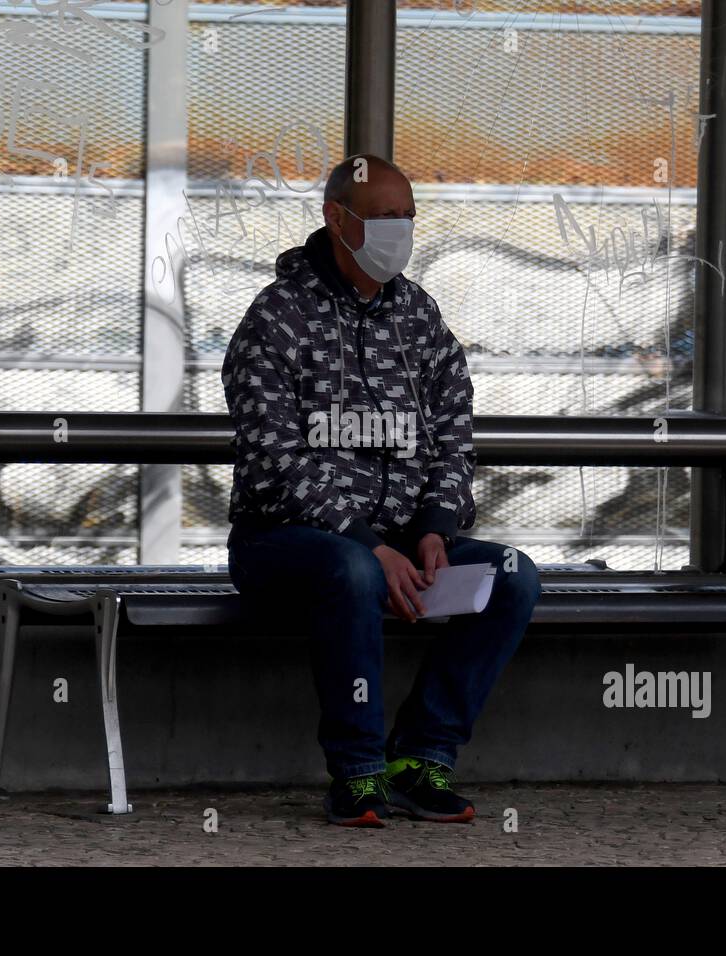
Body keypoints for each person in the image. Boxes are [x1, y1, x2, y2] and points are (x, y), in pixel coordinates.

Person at [221, 153, 541, 827]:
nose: (399, 230)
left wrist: (433, 528)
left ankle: (422, 757)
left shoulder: (418, 317)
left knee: (513, 575)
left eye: (408, 217)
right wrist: (367, 543)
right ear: (337, 219)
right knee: (352, 568)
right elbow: (275, 459)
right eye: (383, 218)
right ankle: (358, 772)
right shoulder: (277, 319)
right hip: (285, 547)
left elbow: (454, 434)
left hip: (400, 543)